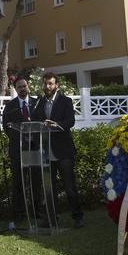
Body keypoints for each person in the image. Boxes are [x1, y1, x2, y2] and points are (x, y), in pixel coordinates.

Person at [32, 73, 84, 229]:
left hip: (64, 151)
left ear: (57, 85)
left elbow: (71, 121)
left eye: (50, 84)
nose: (47, 86)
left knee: (69, 187)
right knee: (49, 187)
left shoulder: (66, 101)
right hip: (46, 151)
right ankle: (50, 218)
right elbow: (35, 121)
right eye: (46, 84)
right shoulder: (39, 102)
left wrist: (57, 124)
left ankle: (78, 217)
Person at [0, 77, 38, 231]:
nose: (23, 88)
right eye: (20, 87)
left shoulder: (36, 103)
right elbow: (6, 127)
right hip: (18, 150)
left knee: (35, 180)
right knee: (19, 182)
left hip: (35, 148)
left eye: (25, 86)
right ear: (15, 89)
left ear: (28, 87)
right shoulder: (10, 107)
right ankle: (20, 212)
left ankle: (37, 210)